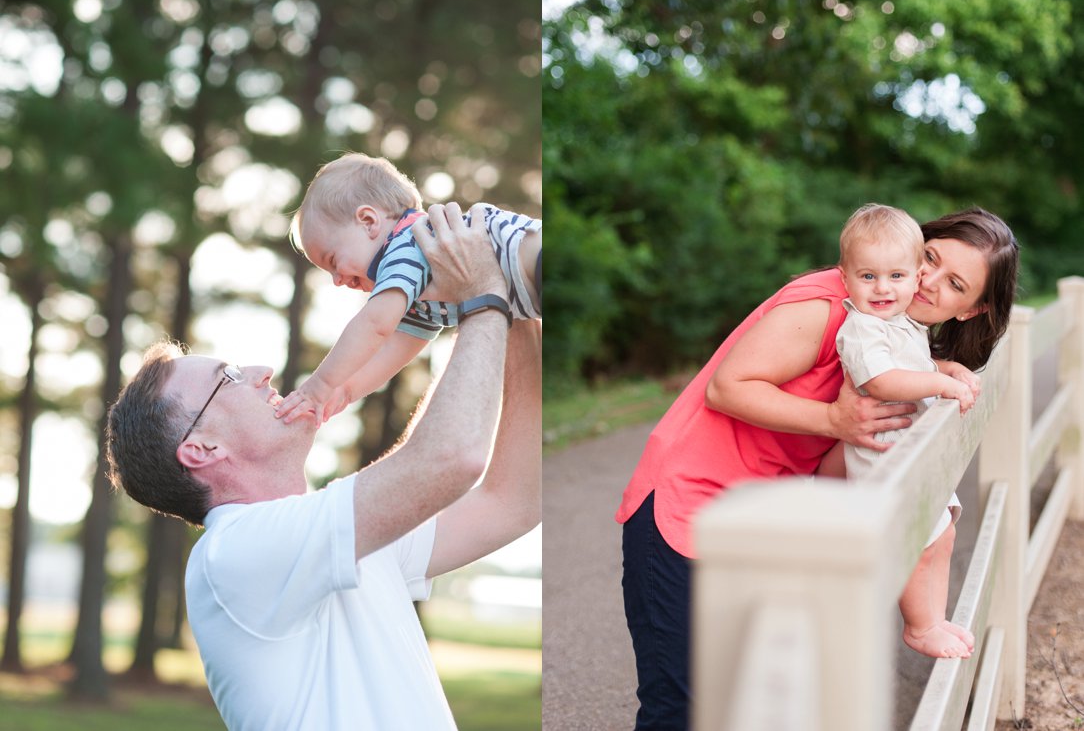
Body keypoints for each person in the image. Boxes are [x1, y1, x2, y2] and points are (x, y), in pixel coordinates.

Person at [106, 204, 541, 731]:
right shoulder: (235, 552)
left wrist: (513, 305)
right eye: (231, 376)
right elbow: (449, 459)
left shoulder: (333, 536)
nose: (264, 373)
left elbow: (513, 501)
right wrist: (484, 297)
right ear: (202, 448)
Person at [615, 207, 1018, 730]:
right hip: (688, 506)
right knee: (683, 705)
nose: (926, 282)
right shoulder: (830, 304)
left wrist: (935, 372)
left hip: (766, 514)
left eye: (954, 282)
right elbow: (726, 387)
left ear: (971, 309)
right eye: (931, 259)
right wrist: (834, 419)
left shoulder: (891, 327)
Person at [275, 152, 542, 424]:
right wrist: (345, 390)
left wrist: (318, 387)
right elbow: (400, 346)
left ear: (368, 221)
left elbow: (376, 325)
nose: (337, 280)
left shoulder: (409, 242)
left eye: (333, 261)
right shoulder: (414, 287)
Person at [832, 203, 980, 659]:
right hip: (886, 461)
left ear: (914, 275)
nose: (882, 288)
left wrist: (944, 365)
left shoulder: (899, 325)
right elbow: (880, 379)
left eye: (896, 276)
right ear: (846, 277)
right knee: (918, 544)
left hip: (912, 457)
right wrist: (939, 382)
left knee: (944, 533)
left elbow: (910, 363)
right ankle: (919, 626)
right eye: (868, 277)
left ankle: (935, 617)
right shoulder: (861, 328)